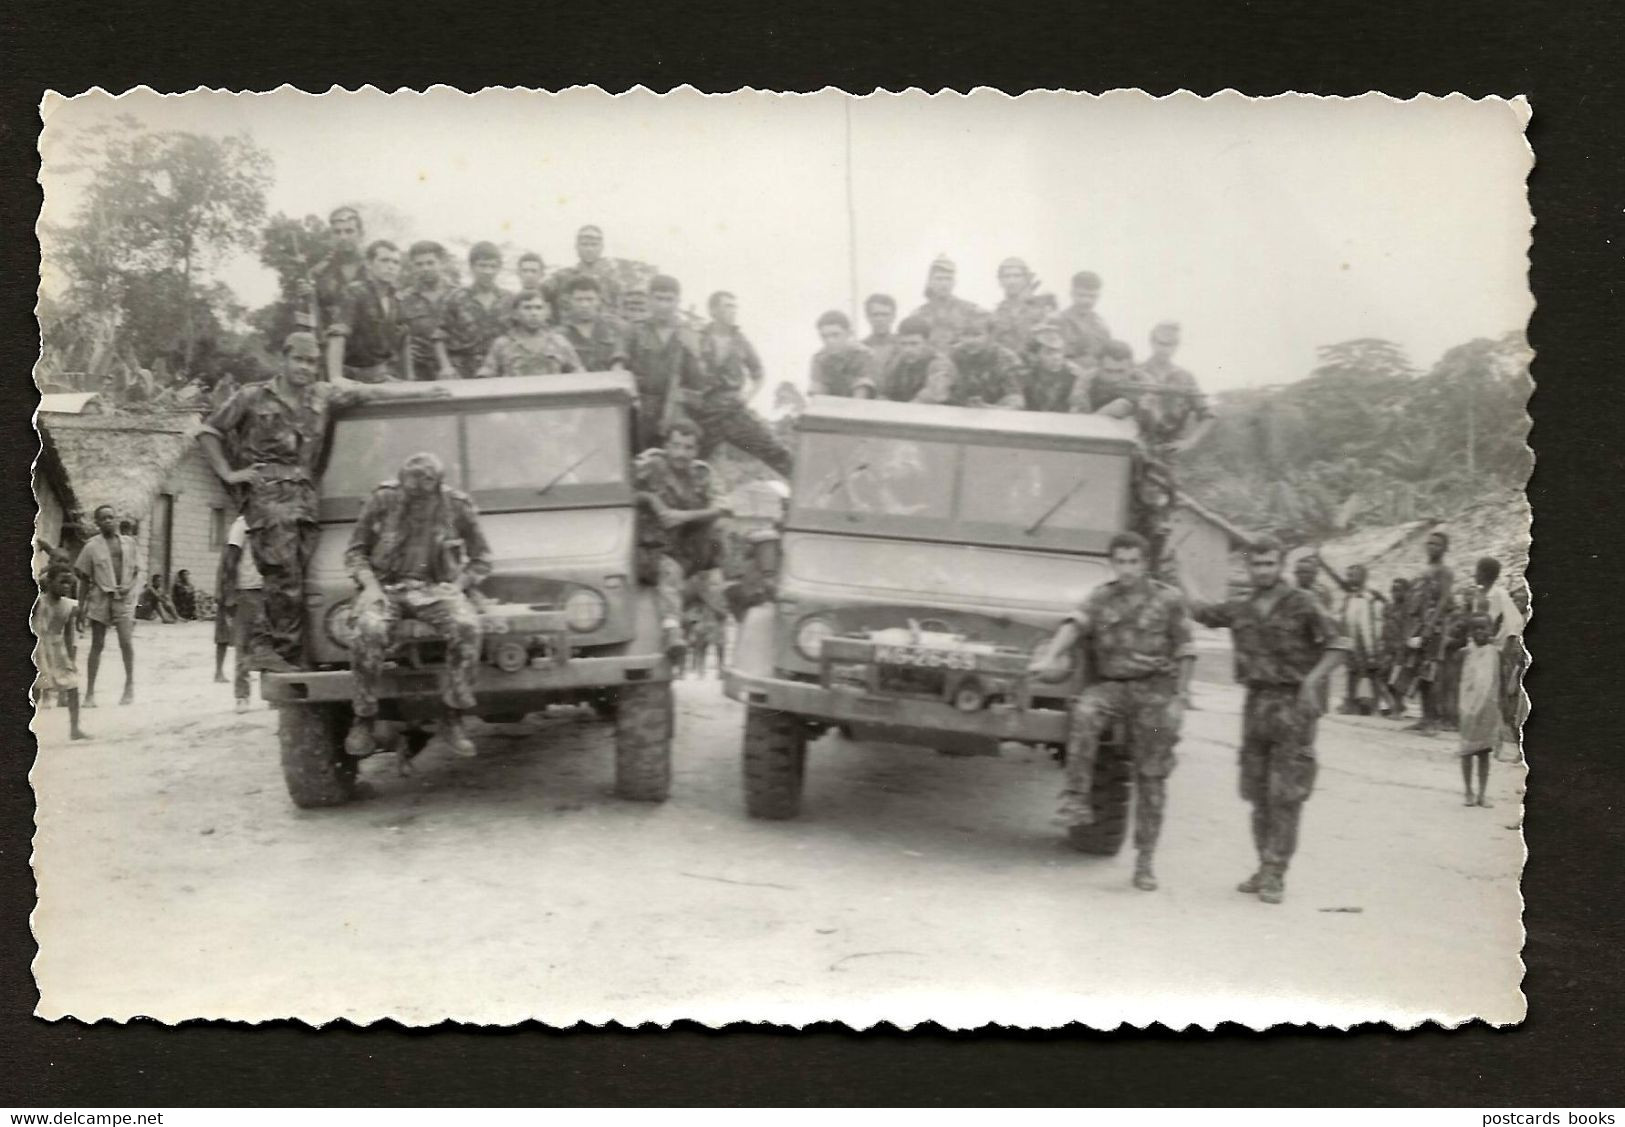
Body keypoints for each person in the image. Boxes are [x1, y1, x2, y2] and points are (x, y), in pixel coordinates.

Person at [199, 332, 450, 673]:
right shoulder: (252, 396)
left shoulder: (322, 394)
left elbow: (370, 392)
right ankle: (271, 650)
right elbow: (208, 431)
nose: (305, 368)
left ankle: (284, 648)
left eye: (312, 362)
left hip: (305, 497)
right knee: (281, 574)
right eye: (299, 360)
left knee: (300, 577)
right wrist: (229, 473)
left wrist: (423, 390)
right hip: (268, 496)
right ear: (283, 360)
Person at [1176, 536, 1348, 905]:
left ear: (1280, 564)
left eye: (1270, 564)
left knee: (1285, 796)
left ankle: (1276, 873)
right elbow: (1200, 611)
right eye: (1257, 565)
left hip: (1292, 707)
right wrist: (1182, 570)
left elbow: (1340, 644)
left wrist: (1312, 682)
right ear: (1247, 566)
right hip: (1255, 706)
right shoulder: (1242, 608)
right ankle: (1262, 866)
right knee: (1256, 793)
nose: (1263, 571)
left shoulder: (1303, 603)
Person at [1028, 532, 1192, 892]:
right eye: (1121, 561)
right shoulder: (1102, 597)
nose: (1128, 569)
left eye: (1134, 561)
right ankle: (1076, 799)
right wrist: (1050, 656)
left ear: (1146, 563)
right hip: (1115, 689)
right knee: (1085, 710)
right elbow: (1074, 625)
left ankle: (1145, 861)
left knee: (1151, 775)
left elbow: (1186, 650)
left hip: (1155, 695)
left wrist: (1180, 697)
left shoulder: (1168, 600)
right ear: (1113, 564)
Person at [343, 452, 492, 760]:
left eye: (426, 482)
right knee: (367, 629)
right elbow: (355, 552)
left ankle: (453, 716)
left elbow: (482, 558)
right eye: (410, 483)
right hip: (386, 589)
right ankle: (365, 717)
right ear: (401, 481)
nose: (416, 490)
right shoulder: (382, 501)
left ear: (437, 483)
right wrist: (370, 587)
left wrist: (460, 585)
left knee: (467, 626)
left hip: (436, 590)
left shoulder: (456, 507)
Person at [634, 420, 730, 664]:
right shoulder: (650, 465)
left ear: (696, 450)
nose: (681, 453)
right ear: (666, 445)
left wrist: (683, 516)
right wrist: (652, 500)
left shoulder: (702, 473)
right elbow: (621, 489)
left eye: (688, 448)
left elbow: (722, 507)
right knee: (668, 572)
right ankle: (672, 632)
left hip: (689, 551)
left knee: (716, 587)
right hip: (651, 547)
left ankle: (713, 638)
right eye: (676, 446)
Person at [693, 292, 793, 476]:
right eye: (727, 306)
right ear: (713, 310)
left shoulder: (741, 340)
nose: (733, 311)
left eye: (734, 306)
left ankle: (809, 495)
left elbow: (759, 374)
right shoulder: (697, 337)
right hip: (706, 412)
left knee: (775, 451)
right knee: (690, 460)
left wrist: (746, 397)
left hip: (734, 410)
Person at [623, 275, 714, 454]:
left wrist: (695, 354)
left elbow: (700, 384)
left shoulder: (689, 334)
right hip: (638, 410)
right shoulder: (633, 331)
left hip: (675, 413)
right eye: (659, 298)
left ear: (678, 302)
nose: (664, 305)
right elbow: (620, 367)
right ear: (649, 299)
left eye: (669, 300)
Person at [72, 504, 141, 706]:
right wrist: (81, 607)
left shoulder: (129, 544)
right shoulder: (91, 547)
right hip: (101, 598)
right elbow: (83, 579)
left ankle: (129, 687)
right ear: (97, 523)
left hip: (124, 599)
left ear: (116, 519)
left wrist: (129, 588)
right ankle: (90, 694)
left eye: (111, 517)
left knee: (126, 643)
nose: (109, 521)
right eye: (104, 518)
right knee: (97, 645)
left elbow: (136, 571)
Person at [1394, 530, 1457, 736]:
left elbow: (1443, 600)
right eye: (1429, 543)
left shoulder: (1445, 571)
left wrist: (1430, 627)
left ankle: (1432, 722)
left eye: (1437, 544)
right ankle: (1424, 718)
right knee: (1418, 673)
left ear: (1445, 548)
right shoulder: (1424, 569)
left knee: (1429, 674)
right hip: (1418, 627)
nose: (1432, 547)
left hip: (1434, 628)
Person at [326, 240, 407, 383]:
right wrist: (336, 378)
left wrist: (408, 379)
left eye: (396, 262)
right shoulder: (355, 292)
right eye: (384, 260)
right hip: (352, 376)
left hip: (382, 375)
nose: (391, 266)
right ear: (369, 264)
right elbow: (337, 335)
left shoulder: (397, 299)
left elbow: (405, 340)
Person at [1320, 561, 1391, 716]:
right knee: (1352, 672)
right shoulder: (1349, 597)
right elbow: (1337, 579)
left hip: (1369, 641)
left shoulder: (1371, 596)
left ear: (1363, 576)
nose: (1351, 579)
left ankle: (1377, 707)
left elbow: (1378, 618)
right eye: (1349, 576)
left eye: (1354, 575)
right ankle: (1352, 705)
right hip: (1352, 640)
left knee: (1372, 673)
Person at [1136, 322, 1214, 457]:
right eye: (1161, 343)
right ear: (1152, 342)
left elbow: (1209, 415)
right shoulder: (1136, 372)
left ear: (1176, 346)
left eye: (1170, 344)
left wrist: (1190, 441)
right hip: (1136, 447)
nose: (1164, 349)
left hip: (1169, 451)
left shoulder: (1185, 378)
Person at [443, 241, 513, 379]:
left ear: (499, 268)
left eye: (493, 266)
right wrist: (446, 367)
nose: (488, 271)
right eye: (482, 266)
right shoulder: (455, 298)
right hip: (463, 370)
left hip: (500, 369)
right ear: (471, 267)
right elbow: (439, 336)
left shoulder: (509, 299)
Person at [34, 564, 89, 740]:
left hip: (58, 649)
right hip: (38, 648)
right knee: (35, 689)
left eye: (68, 583)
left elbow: (68, 633)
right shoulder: (38, 602)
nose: (66, 586)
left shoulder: (68, 605)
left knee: (72, 686)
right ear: (49, 582)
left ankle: (75, 729)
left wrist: (70, 659)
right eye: (61, 582)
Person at [218, 512, 265, 713]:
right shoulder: (241, 524)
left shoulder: (269, 520)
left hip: (269, 589)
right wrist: (229, 593)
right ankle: (242, 696)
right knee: (243, 645)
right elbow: (231, 560)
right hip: (247, 590)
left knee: (270, 643)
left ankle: (273, 694)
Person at [477, 290, 584, 377]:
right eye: (527, 308)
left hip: (552, 401)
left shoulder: (559, 342)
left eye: (538, 308)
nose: (534, 313)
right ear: (515, 313)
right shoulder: (502, 344)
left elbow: (579, 375)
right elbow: (486, 378)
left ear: (546, 312)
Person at [1456, 614, 1501, 807]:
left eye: (1483, 628)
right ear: (1470, 632)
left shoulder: (1494, 653)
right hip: (1467, 707)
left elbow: (1497, 680)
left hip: (1487, 708)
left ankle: (1482, 794)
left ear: (1490, 630)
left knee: (1484, 752)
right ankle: (1468, 791)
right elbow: (1461, 681)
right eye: (1475, 628)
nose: (1479, 632)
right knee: (1466, 751)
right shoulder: (1466, 652)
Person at [398, 241, 457, 380]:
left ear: (442, 263)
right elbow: (398, 338)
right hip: (419, 371)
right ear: (412, 266)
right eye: (419, 264)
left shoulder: (458, 295)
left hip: (454, 369)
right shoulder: (403, 300)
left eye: (430, 263)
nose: (425, 268)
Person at [304, 206, 367, 333]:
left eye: (349, 231)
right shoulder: (318, 273)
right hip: (330, 345)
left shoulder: (375, 269)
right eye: (337, 232)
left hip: (371, 348)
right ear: (331, 235)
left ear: (361, 234)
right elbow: (308, 320)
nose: (343, 237)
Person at [946, 312, 1027, 408]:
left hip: (997, 417)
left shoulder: (1007, 358)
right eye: (965, 335)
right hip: (957, 413)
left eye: (977, 334)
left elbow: (1017, 400)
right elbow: (938, 392)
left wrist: (988, 409)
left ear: (991, 335)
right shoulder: (953, 355)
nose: (970, 340)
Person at [907, 256, 985, 350]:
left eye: (948, 279)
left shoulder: (971, 311)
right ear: (930, 282)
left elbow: (983, 341)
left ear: (954, 282)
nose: (944, 283)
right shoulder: (917, 316)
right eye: (939, 279)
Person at [545, 225, 624, 316]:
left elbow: (619, 314)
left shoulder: (612, 283)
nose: (589, 249)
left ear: (601, 247)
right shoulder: (560, 278)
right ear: (576, 247)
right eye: (584, 244)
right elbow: (536, 298)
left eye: (594, 244)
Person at [875, 315, 954, 403]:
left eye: (914, 344)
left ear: (927, 342)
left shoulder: (939, 364)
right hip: (905, 413)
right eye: (903, 344)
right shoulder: (898, 362)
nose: (908, 350)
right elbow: (886, 393)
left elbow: (931, 396)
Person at [557, 276, 629, 372]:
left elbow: (622, 359)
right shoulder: (560, 334)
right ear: (570, 301)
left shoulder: (616, 328)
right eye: (579, 300)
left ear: (599, 300)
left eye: (590, 299)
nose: (584, 305)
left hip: (611, 383)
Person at [990, 256, 1058, 357]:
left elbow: (1054, 347)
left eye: (1017, 276)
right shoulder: (996, 314)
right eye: (1007, 276)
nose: (1011, 281)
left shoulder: (1043, 308)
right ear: (1000, 281)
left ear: (1026, 279)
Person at [807, 310, 878, 398]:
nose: (830, 341)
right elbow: (818, 395)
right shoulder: (819, 359)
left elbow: (861, 395)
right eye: (824, 336)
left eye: (835, 335)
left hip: (862, 407)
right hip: (832, 407)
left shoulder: (863, 355)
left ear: (849, 333)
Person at [1054, 271, 1113, 374]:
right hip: (1065, 379)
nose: (1087, 301)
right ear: (1072, 294)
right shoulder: (1058, 321)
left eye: (1092, 296)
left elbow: (1107, 357)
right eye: (1081, 295)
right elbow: (1051, 357)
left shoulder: (1101, 325)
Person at [1022, 327, 1085, 413]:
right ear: (1035, 356)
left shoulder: (1073, 375)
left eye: (1059, 352)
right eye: (1049, 353)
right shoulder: (1026, 374)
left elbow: (1077, 409)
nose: (1057, 357)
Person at [1381, 576, 1413, 719]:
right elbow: (1385, 626)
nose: (1395, 593)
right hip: (1388, 647)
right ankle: (1394, 706)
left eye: (1399, 590)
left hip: (1401, 648)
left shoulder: (1408, 609)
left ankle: (1397, 708)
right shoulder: (1389, 606)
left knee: (1397, 679)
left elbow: (1407, 629)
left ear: (1406, 592)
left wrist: (1404, 647)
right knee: (1382, 676)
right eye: (1393, 590)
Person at [862, 293, 900, 372]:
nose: (880, 319)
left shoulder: (903, 346)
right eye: (875, 315)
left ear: (893, 316)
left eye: (885, 314)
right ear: (867, 317)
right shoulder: (860, 349)